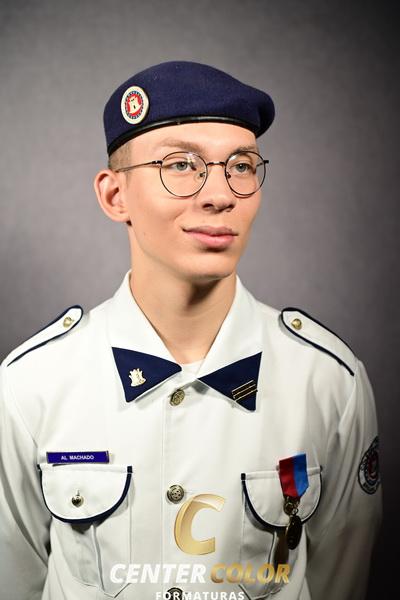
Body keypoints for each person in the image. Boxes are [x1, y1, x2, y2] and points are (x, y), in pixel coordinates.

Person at [0, 61, 381, 600]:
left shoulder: (328, 382)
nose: (221, 194)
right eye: (181, 164)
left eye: (241, 166)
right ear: (115, 196)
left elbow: (342, 580)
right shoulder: (31, 383)